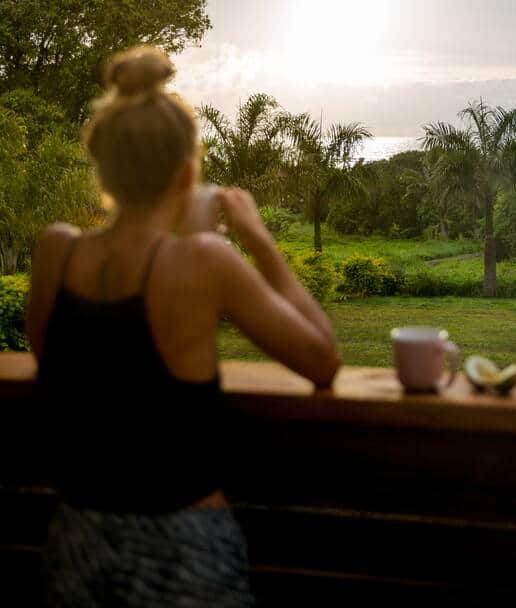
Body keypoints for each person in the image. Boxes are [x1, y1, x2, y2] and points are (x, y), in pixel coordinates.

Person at [27, 46, 341, 607]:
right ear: (187, 172)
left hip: (77, 541)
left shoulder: (55, 252)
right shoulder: (202, 262)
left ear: (102, 167)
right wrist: (258, 240)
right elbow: (322, 359)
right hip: (184, 548)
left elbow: (64, 360)